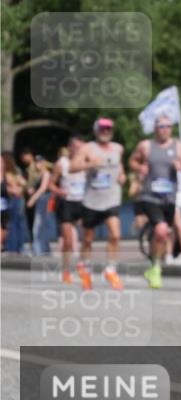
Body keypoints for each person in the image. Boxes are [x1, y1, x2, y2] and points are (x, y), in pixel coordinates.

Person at [130, 116, 181, 288]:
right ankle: (156, 268)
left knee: (162, 235)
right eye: (161, 126)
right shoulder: (146, 145)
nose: (164, 129)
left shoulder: (178, 146)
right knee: (161, 229)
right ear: (155, 128)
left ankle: (153, 264)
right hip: (149, 196)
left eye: (167, 126)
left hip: (169, 198)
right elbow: (132, 161)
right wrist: (139, 167)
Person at [70, 118, 127, 290]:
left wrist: (122, 175)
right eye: (102, 129)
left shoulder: (118, 148)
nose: (105, 132)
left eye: (108, 129)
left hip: (112, 199)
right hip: (92, 201)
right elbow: (72, 167)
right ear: (96, 131)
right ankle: (85, 268)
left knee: (115, 234)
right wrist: (89, 164)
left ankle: (110, 270)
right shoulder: (88, 148)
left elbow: (119, 166)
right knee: (88, 239)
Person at [50, 136, 87, 284]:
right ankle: (66, 270)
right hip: (67, 203)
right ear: (69, 148)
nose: (78, 150)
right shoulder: (61, 163)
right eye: (76, 147)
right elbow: (51, 184)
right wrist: (60, 191)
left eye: (81, 148)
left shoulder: (86, 162)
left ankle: (81, 265)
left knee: (87, 238)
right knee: (68, 241)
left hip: (83, 203)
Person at [22, 148, 53, 257]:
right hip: (39, 202)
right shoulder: (37, 175)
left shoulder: (46, 173)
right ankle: (42, 249)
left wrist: (32, 199)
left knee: (39, 226)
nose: (37, 164)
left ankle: (39, 249)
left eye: (40, 162)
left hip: (44, 201)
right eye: (36, 162)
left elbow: (43, 189)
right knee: (39, 226)